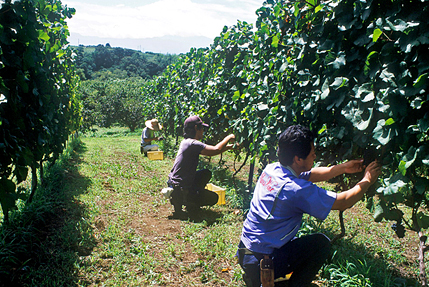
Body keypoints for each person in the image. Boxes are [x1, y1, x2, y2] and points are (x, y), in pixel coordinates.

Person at [237, 125, 381, 287]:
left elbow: (310, 174)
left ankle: (260, 277)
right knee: (320, 244)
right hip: (262, 262)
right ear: (298, 159)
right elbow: (343, 201)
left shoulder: (273, 169)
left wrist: (342, 168)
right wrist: (367, 180)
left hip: (246, 251)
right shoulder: (295, 190)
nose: (315, 154)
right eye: (312, 151)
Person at [167, 115, 236, 217]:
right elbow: (215, 150)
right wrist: (229, 137)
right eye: (202, 128)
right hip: (180, 187)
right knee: (213, 198)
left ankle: (185, 198)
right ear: (196, 128)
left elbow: (213, 150)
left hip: (175, 184)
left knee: (205, 173)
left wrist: (229, 147)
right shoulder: (193, 143)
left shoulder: (186, 142)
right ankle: (186, 200)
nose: (203, 131)